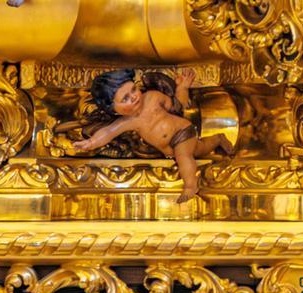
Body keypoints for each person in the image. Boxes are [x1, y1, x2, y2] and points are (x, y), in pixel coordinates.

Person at [69, 68, 213, 201]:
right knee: (201, 149)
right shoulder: (127, 122)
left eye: (133, 90)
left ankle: (190, 185)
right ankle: (218, 139)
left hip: (181, 132)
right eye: (125, 99)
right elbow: (108, 132)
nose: (133, 97)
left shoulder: (152, 98)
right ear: (114, 110)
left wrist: (182, 87)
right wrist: (91, 143)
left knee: (184, 156)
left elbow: (177, 106)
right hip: (169, 149)